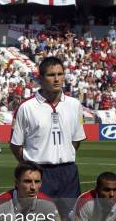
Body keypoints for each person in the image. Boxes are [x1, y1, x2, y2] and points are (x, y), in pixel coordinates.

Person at [10, 56, 86, 200]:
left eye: (60, 74)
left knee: (69, 218)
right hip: (39, 172)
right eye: (51, 75)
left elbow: (76, 141)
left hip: (68, 172)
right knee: (39, 218)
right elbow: (15, 146)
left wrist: (62, 155)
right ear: (41, 79)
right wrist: (33, 168)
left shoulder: (74, 105)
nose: (57, 79)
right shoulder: (27, 107)